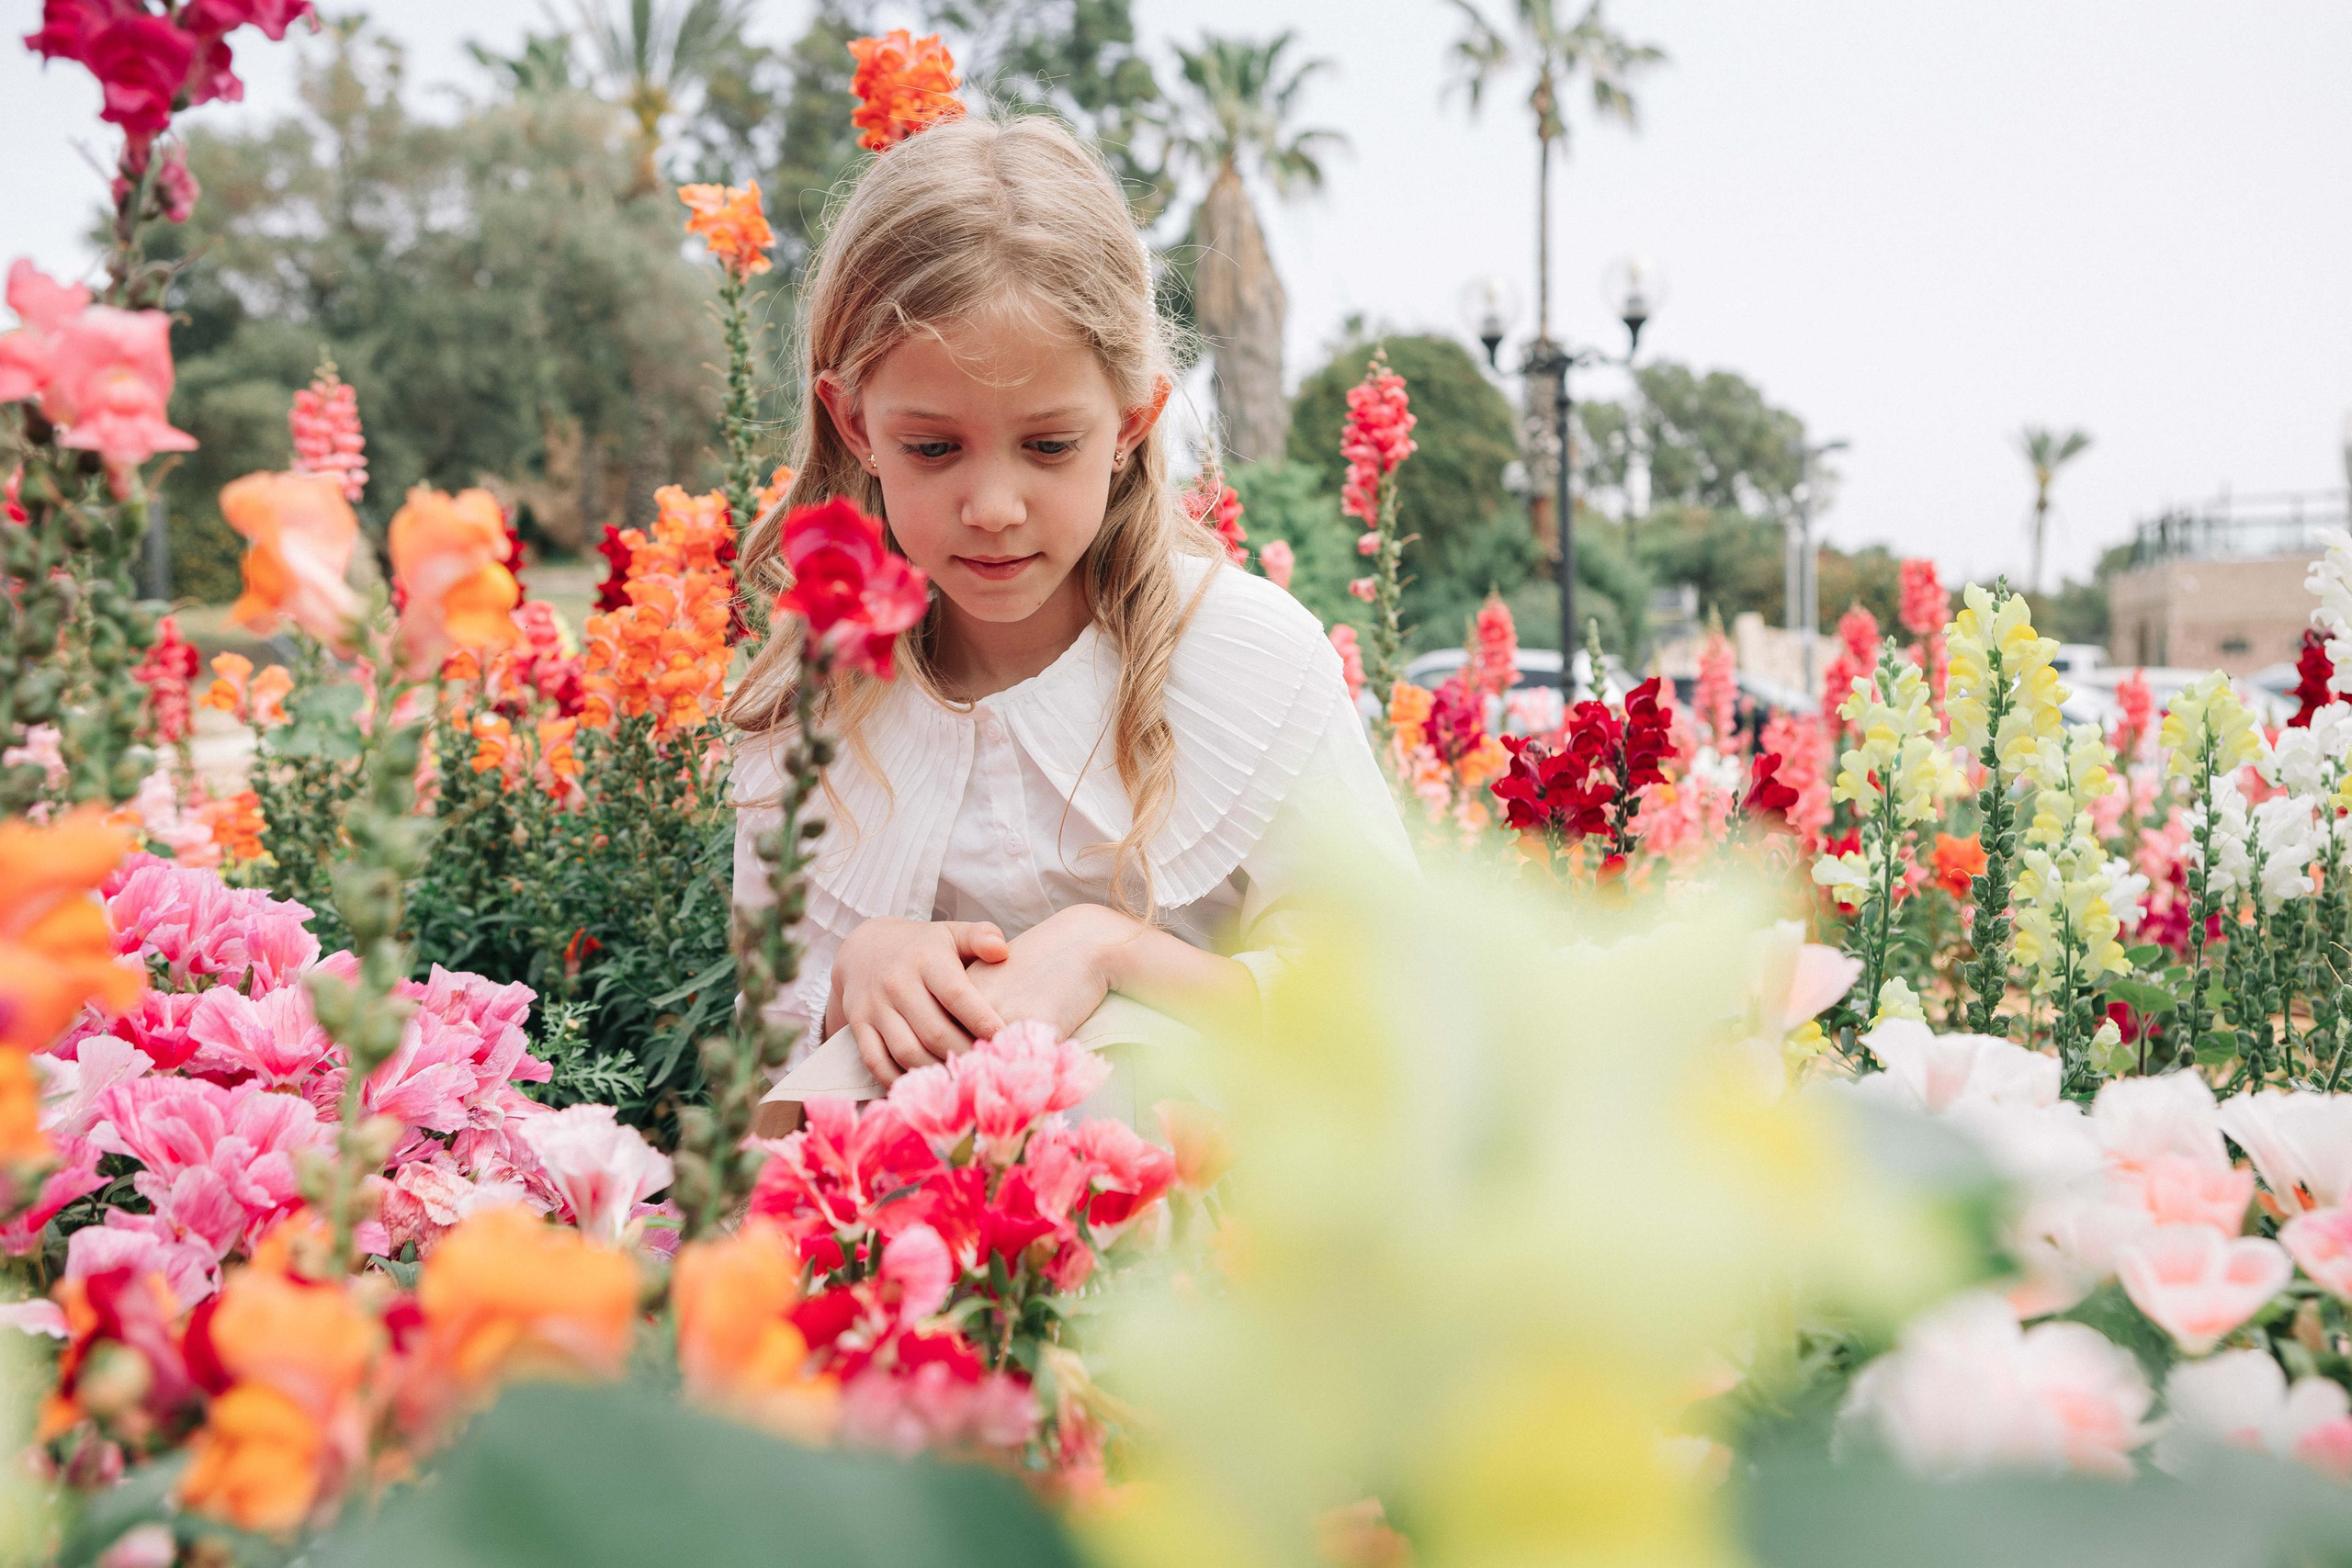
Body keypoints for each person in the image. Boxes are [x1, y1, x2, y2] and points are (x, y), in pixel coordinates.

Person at [728, 113, 1410, 1104]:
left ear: (1132, 422)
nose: (993, 508)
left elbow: (1389, 1005)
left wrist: (1112, 952)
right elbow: (774, 1089)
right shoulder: (815, 712)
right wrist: (858, 976)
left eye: (1049, 446)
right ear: (854, 423)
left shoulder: (1247, 658)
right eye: (933, 448)